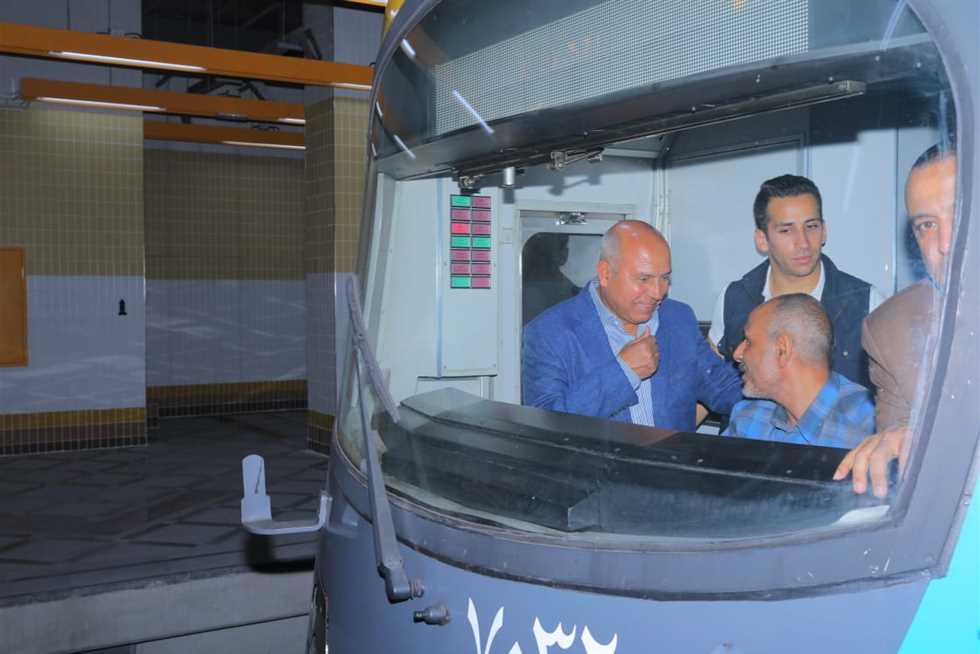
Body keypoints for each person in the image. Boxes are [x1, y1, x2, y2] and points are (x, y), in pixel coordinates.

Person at [522, 220, 742, 431]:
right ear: (605, 274)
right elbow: (547, 424)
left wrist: (762, 383)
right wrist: (623, 373)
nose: (658, 293)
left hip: (672, 458)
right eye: (644, 279)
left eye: (665, 278)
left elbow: (722, 386)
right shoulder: (549, 332)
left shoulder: (678, 318)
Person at [835, 145, 955, 496]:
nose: (946, 243)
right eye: (927, 225)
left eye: (961, 212)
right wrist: (899, 440)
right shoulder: (891, 331)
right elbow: (901, 439)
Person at [708, 174, 885, 389]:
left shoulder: (867, 303)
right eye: (786, 230)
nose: (803, 243)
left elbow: (893, 394)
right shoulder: (734, 299)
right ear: (762, 240)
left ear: (824, 232)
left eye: (811, 226)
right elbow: (712, 384)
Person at [722, 294, 874, 448]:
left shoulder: (870, 427)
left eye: (749, 342)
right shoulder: (748, 419)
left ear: (782, 350)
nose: (737, 354)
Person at [522, 233, 580, 325]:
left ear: (564, 255)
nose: (541, 261)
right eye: (537, 252)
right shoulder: (515, 293)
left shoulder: (577, 297)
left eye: (545, 254)